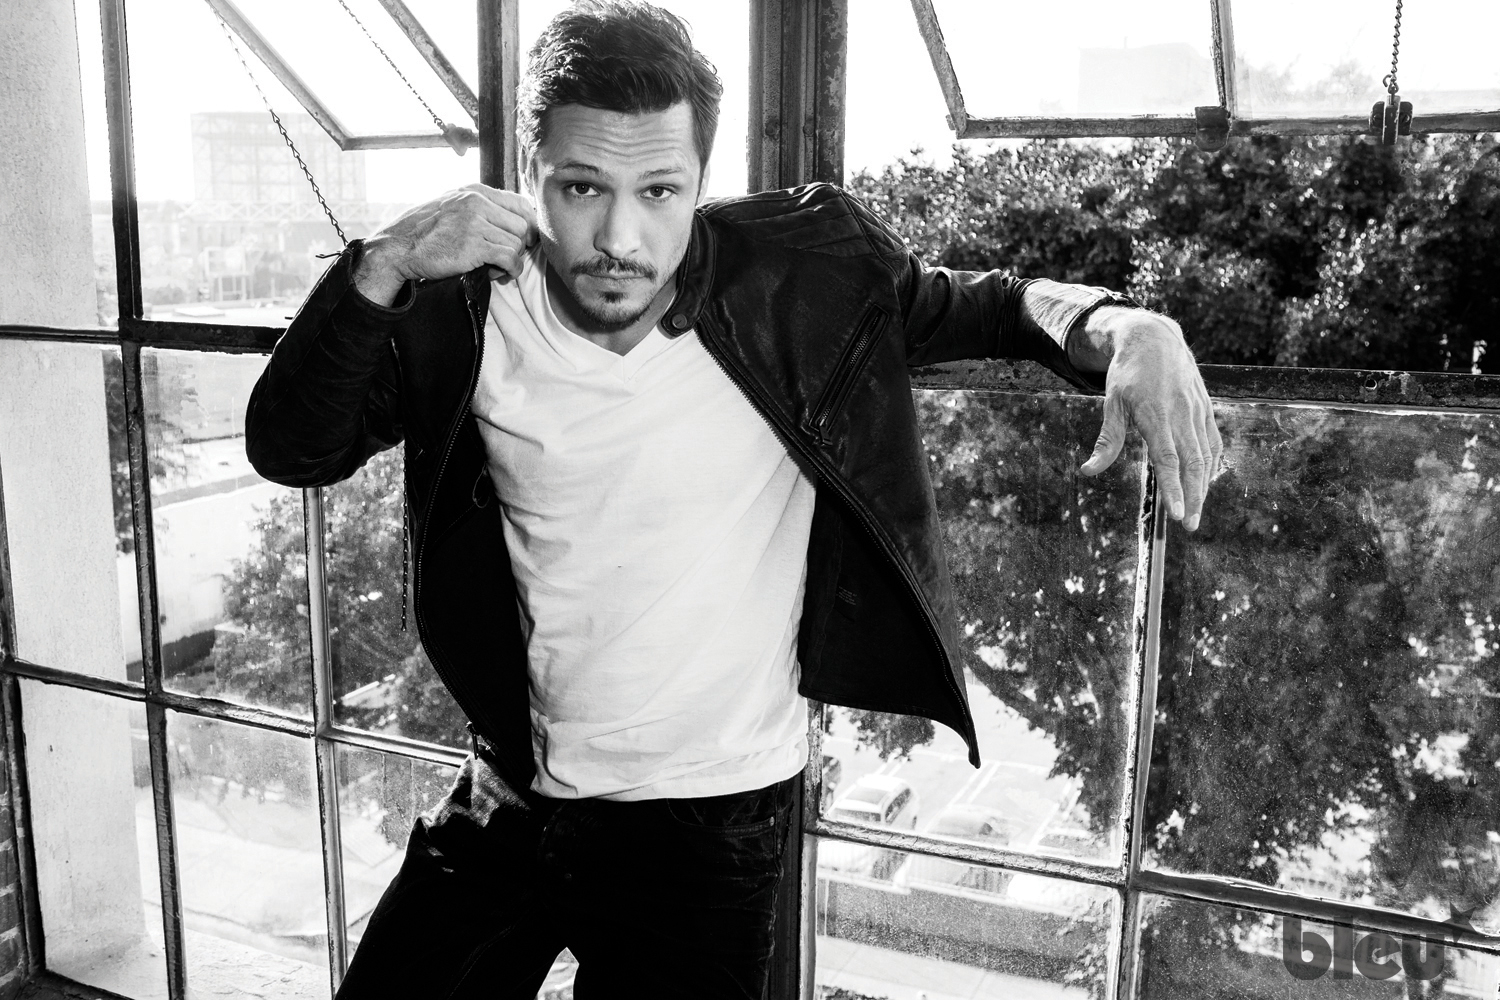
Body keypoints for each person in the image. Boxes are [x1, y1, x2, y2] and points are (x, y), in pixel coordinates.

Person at [245, 2, 1220, 996]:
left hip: (706, 831)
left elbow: (995, 306)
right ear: (527, 176)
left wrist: (1126, 325)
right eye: (581, 187)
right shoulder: (465, 301)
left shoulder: (800, 279)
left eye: (659, 191)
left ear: (700, 183)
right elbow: (293, 446)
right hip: (511, 787)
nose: (619, 236)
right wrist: (384, 263)